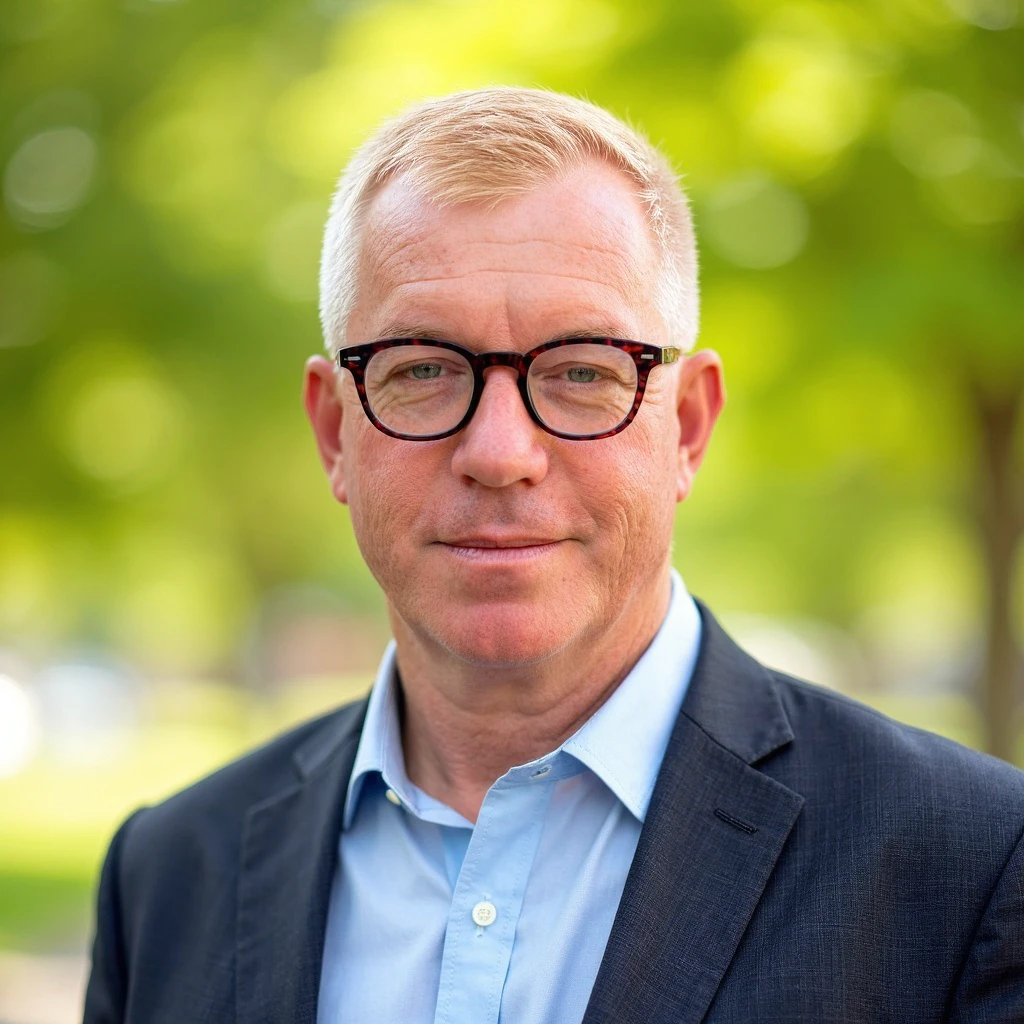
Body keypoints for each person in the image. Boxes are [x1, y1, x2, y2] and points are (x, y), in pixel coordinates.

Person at [83, 87, 1024, 1024]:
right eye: (422, 369)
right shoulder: (166, 878)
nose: (499, 454)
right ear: (335, 431)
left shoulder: (973, 869)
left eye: (581, 371)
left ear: (689, 426)